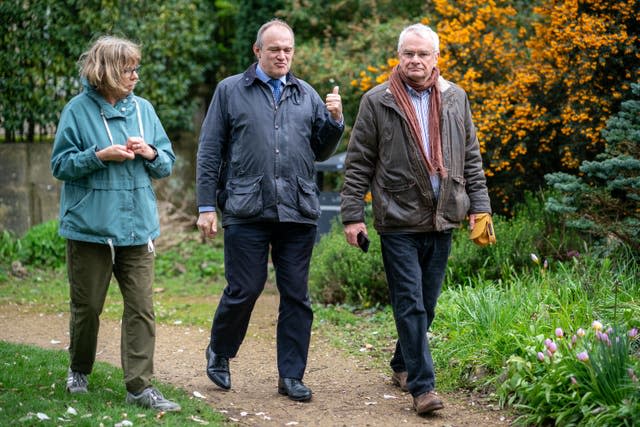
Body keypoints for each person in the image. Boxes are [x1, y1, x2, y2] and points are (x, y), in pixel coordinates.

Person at [340, 23, 492, 416]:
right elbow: (358, 163)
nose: (415, 61)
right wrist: (352, 216)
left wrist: (481, 206)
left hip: (443, 217)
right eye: (408, 53)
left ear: (437, 57)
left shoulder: (456, 98)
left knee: (427, 301)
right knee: (410, 302)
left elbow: (471, 157)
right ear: (399, 55)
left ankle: (402, 363)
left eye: (423, 54)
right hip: (396, 219)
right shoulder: (378, 100)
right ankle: (423, 388)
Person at [196, 19, 343, 402]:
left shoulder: (306, 93)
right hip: (246, 207)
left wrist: (335, 122)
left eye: (288, 50)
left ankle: (291, 376)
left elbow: (321, 150)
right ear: (257, 51)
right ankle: (220, 351)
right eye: (275, 49)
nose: (282, 56)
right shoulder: (230, 91)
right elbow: (210, 150)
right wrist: (207, 206)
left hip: (297, 210)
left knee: (296, 294)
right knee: (245, 288)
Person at [50, 35, 180, 412]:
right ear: (105, 71)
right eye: (128, 69)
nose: (135, 76)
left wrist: (151, 152)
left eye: (136, 68)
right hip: (91, 227)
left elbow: (166, 162)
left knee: (141, 307)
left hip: (138, 227)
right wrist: (98, 155)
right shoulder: (76, 111)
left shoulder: (144, 110)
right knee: (88, 307)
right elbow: (60, 165)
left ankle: (139, 388)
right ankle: (79, 369)